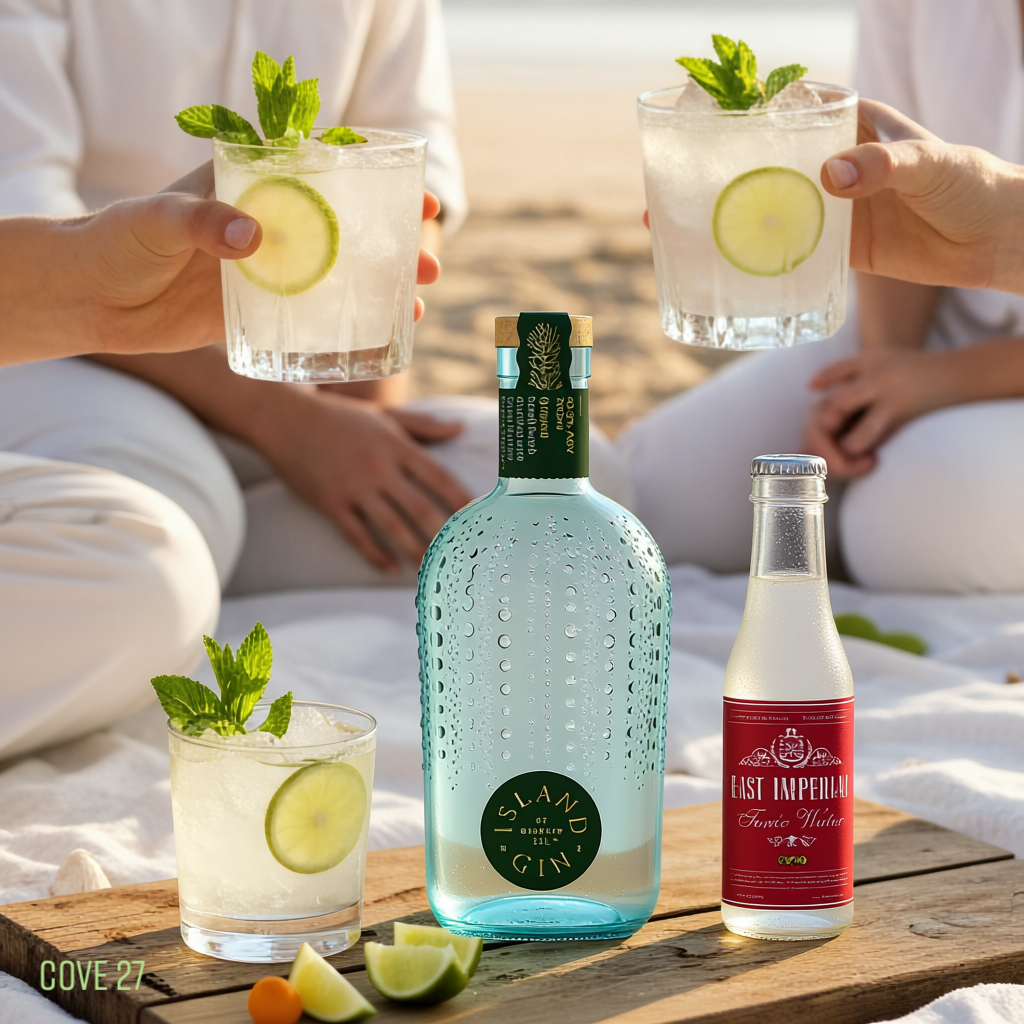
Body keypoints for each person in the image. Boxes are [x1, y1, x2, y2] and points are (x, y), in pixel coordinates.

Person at [0, 0, 477, 591]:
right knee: (164, 531)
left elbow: (405, 162)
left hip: (295, 369)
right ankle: (198, 572)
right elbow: (26, 211)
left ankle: (218, 578)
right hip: (71, 358)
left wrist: (360, 417)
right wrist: (289, 427)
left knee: (523, 482)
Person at [619, 0, 1024, 594]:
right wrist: (880, 379)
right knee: (648, 500)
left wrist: (945, 381)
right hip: (941, 319)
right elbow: (887, 187)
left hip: (981, 361)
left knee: (897, 525)